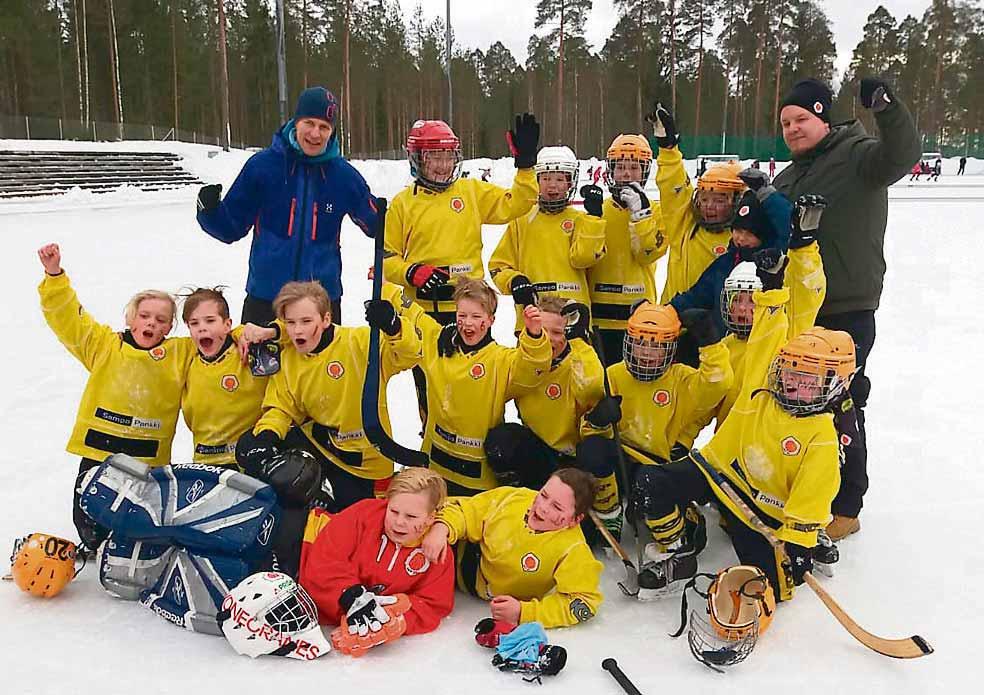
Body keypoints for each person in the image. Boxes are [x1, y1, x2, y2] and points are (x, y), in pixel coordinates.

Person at [632, 281, 855, 602]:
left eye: (807, 379)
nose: (792, 382)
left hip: (761, 511)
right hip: (719, 471)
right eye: (790, 371)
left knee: (773, 587)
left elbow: (811, 499)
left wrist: (798, 545)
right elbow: (768, 336)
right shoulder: (761, 385)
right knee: (651, 482)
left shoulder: (821, 438)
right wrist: (774, 291)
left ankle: (815, 540)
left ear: (834, 384)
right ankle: (679, 551)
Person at [772, 76, 920, 540]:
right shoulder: (789, 176)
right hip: (798, 308)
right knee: (791, 401)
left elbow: (902, 155)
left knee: (839, 403)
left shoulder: (859, 155)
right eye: (785, 123)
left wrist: (887, 108)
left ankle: (845, 505)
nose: (792, 129)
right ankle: (793, 490)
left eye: (801, 119)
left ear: (822, 116)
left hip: (845, 307)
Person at [37, 243, 196, 551]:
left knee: (139, 523)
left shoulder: (179, 354)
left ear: (170, 327)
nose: (151, 323)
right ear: (130, 319)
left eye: (161, 319)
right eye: (145, 315)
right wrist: (54, 275)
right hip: (99, 451)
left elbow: (214, 343)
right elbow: (69, 319)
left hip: (147, 457)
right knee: (88, 520)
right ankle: (94, 544)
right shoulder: (104, 346)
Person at [196, 86, 379, 325]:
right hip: (266, 299)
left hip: (321, 302)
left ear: (332, 132)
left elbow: (377, 223)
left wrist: (401, 212)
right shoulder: (262, 167)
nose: (315, 133)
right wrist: (210, 211)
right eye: (309, 123)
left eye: (324, 127)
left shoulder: (343, 176)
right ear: (296, 122)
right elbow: (231, 227)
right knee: (259, 362)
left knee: (321, 364)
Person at [235, 280, 421, 512]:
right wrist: (266, 437)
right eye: (290, 323)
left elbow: (410, 355)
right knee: (249, 446)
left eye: (306, 321)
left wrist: (393, 326)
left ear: (325, 319)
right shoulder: (290, 356)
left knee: (357, 522)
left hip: (365, 463)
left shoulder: (360, 342)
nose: (298, 330)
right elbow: (281, 408)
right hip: (320, 449)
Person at [481, 296, 622, 536]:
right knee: (502, 440)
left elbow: (590, 386)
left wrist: (581, 343)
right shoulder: (524, 360)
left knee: (596, 453)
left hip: (577, 456)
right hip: (542, 451)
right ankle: (518, 499)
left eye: (558, 332)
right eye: (542, 330)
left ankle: (608, 517)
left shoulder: (579, 362)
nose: (549, 339)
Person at [383, 115, 540, 322]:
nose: (444, 165)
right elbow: (386, 259)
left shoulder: (471, 191)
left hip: (471, 309)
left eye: (449, 156)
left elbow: (519, 203)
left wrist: (526, 166)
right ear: (417, 158)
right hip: (422, 311)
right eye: (434, 157)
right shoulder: (402, 203)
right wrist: (412, 272)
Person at [409, 278, 552, 496]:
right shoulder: (439, 343)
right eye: (462, 316)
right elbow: (413, 315)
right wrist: (384, 284)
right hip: (434, 469)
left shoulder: (501, 360)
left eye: (476, 317)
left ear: (491, 320)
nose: (468, 323)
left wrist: (533, 335)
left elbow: (532, 368)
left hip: (477, 481)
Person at [420, 468, 604, 629]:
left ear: (575, 519)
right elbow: (466, 511)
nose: (543, 507)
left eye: (556, 507)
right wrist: (441, 528)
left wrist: (525, 612)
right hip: (449, 551)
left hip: (454, 586)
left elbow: (584, 604)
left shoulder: (573, 550)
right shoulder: (514, 498)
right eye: (543, 495)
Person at [297, 467, 455, 639]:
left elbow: (432, 604)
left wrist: (394, 620)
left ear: (431, 518)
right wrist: (349, 596)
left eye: (411, 517)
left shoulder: (437, 552)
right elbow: (324, 561)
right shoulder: (363, 514)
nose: (399, 522)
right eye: (393, 511)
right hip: (296, 553)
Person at [489, 145, 606, 333]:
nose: (552, 185)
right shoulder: (521, 222)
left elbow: (584, 258)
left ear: (570, 182)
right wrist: (514, 280)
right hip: (534, 316)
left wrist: (593, 219)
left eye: (560, 179)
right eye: (546, 178)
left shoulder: (581, 220)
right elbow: (498, 266)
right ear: (536, 181)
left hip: (572, 317)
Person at [607, 301, 733, 474]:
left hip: (659, 464)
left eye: (656, 346)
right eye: (640, 344)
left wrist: (710, 345)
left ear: (671, 348)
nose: (646, 353)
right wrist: (598, 420)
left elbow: (718, 382)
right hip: (620, 456)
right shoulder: (613, 375)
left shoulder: (681, 379)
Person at [667, 170, 793, 339]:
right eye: (737, 230)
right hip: (726, 348)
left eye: (749, 233)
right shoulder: (727, 262)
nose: (741, 238)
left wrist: (766, 193)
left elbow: (787, 224)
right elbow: (697, 295)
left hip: (763, 345)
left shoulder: (775, 263)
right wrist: (665, 312)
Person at [584, 134, 668, 365]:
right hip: (599, 319)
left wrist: (640, 215)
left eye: (634, 167)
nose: (627, 174)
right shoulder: (598, 210)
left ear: (645, 171)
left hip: (639, 319)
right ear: (611, 170)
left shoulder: (657, 212)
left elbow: (646, 253)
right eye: (621, 167)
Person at [179, 288, 279, 466]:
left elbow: (292, 336)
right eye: (194, 323)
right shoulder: (184, 356)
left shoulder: (249, 351)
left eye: (210, 321)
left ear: (227, 325)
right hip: (206, 461)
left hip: (250, 458)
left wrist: (244, 332)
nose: (202, 327)